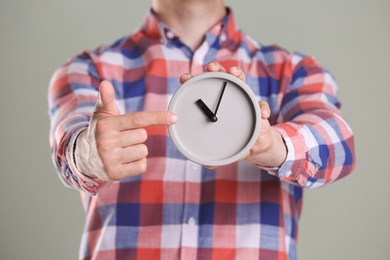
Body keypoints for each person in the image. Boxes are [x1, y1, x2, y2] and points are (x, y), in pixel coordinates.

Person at [48, 0, 356, 259]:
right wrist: (87, 153)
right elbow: (69, 147)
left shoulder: (292, 71)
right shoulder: (90, 70)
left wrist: (270, 144)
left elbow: (338, 147)